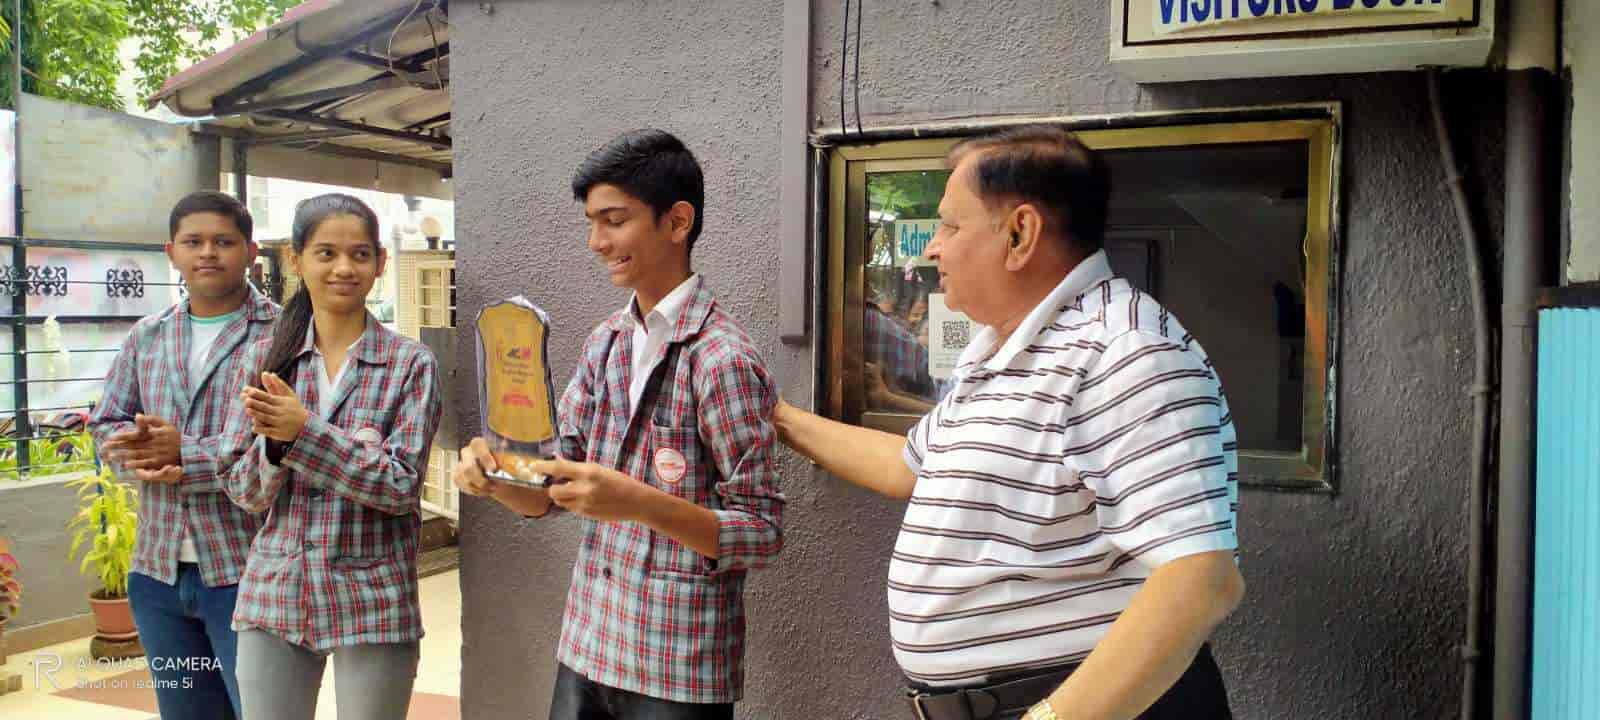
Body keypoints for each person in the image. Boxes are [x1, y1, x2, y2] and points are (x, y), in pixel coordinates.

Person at [773, 125, 1243, 720]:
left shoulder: (1124, 351)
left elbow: (1201, 577)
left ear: (1020, 234)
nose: (932, 249)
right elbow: (908, 467)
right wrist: (777, 417)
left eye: (950, 226)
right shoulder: (999, 351)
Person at [453, 129, 784, 720]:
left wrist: (637, 502)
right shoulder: (606, 342)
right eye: (592, 223)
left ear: (677, 222)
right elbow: (549, 488)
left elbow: (762, 532)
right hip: (588, 643)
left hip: (678, 668)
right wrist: (496, 478)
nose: (596, 242)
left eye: (614, 220)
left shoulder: (722, 359)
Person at [216, 194, 442, 720]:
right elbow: (243, 490)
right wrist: (276, 447)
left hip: (374, 597)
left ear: (380, 262)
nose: (344, 268)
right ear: (296, 260)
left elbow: (400, 487)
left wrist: (303, 433)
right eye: (326, 253)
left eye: (360, 254)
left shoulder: (410, 364)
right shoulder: (263, 358)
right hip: (276, 593)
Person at [88, 190, 278, 720]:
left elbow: (278, 446)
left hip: (249, 569)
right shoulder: (147, 336)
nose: (208, 253)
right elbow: (105, 422)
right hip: (157, 573)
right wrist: (136, 452)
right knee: (185, 712)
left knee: (261, 711)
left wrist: (184, 454)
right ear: (171, 252)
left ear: (251, 252)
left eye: (224, 241)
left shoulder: (283, 335)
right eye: (193, 242)